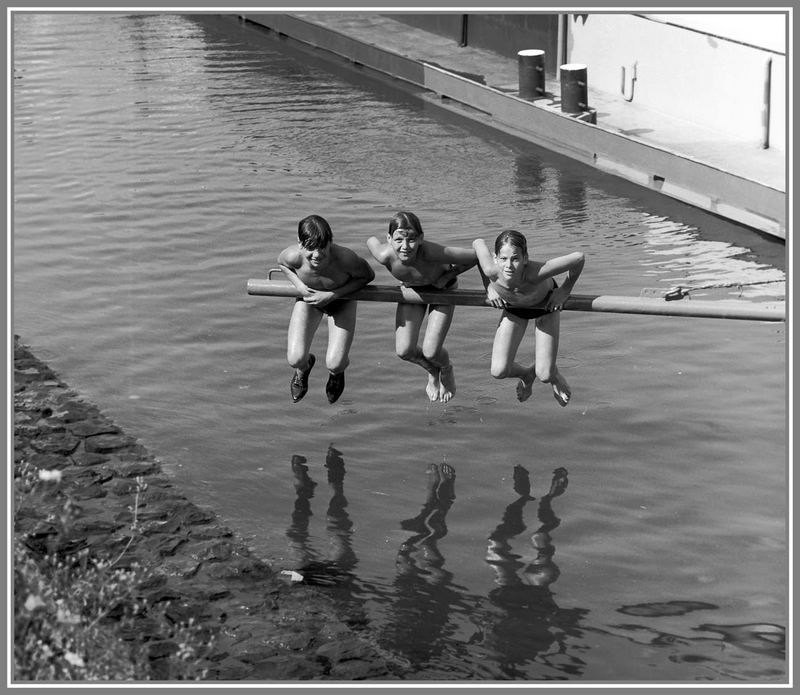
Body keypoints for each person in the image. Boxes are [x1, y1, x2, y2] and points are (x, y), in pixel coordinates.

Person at [367, 211, 477, 403]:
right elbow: (370, 241)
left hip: (442, 291)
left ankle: (446, 369)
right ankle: (432, 370)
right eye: (399, 239)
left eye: (411, 239)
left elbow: (476, 257)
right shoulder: (385, 255)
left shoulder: (431, 252)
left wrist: (446, 277)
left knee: (432, 351)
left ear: (421, 239)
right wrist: (379, 243)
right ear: (389, 239)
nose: (405, 246)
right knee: (404, 351)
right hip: (412, 291)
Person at [473, 230, 584, 406]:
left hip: (545, 306)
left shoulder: (536, 273)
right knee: (498, 370)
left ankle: (554, 375)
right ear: (495, 258)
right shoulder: (490, 270)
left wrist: (564, 290)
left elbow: (578, 258)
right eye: (503, 259)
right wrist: (488, 286)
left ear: (525, 258)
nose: (509, 265)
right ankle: (526, 374)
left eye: (515, 258)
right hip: (515, 308)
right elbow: (478, 242)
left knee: (545, 374)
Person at [278, 214, 375, 404]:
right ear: (299, 243)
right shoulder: (293, 256)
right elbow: (282, 264)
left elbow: (367, 276)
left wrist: (333, 294)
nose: (317, 255)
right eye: (310, 248)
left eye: (322, 247)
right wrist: (298, 285)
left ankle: (337, 373)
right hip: (310, 302)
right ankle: (304, 369)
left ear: (331, 242)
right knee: (295, 359)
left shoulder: (346, 258)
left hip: (341, 301)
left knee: (335, 363)